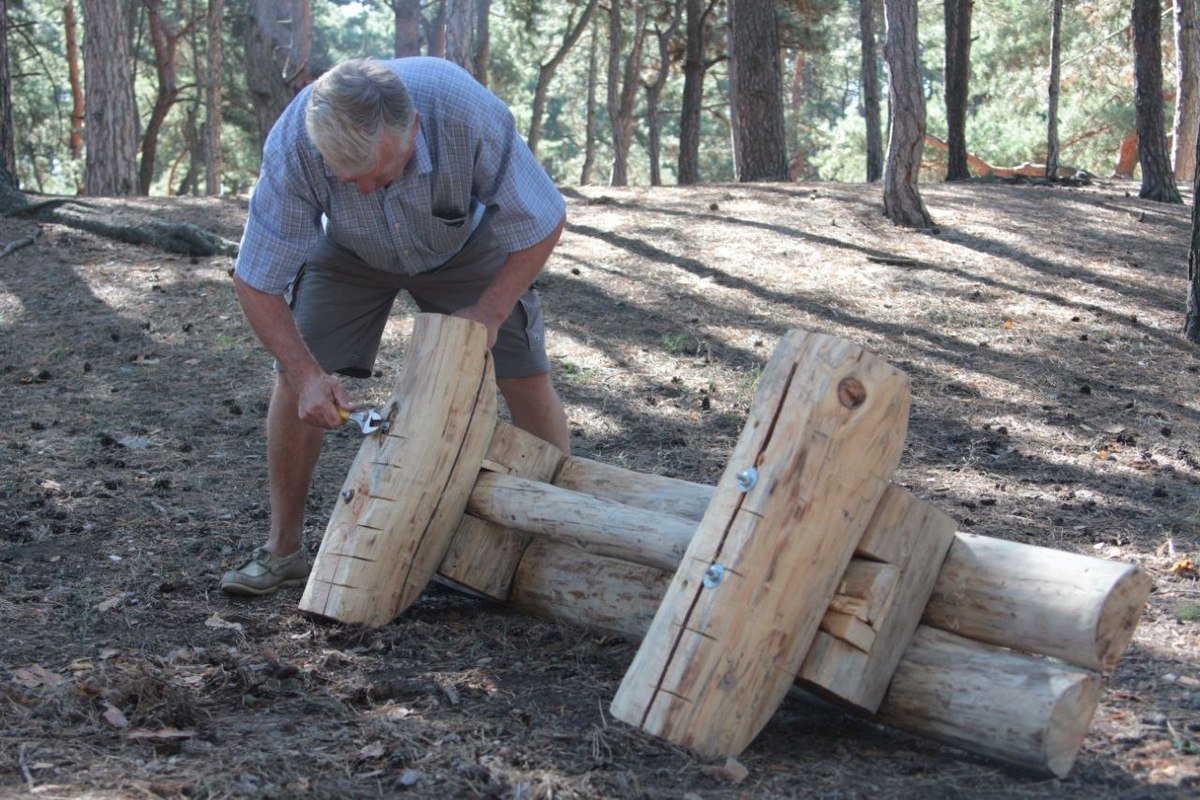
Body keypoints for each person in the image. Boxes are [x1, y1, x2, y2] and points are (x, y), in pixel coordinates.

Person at [220, 56, 570, 596]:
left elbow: (542, 221)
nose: (364, 190)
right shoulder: (295, 144)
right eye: (347, 178)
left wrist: (489, 312)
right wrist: (308, 373)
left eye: (379, 174)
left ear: (413, 128)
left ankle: (551, 539)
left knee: (524, 373)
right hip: (346, 249)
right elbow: (255, 280)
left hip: (461, 241)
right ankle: (282, 549)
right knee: (294, 383)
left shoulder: (462, 110)